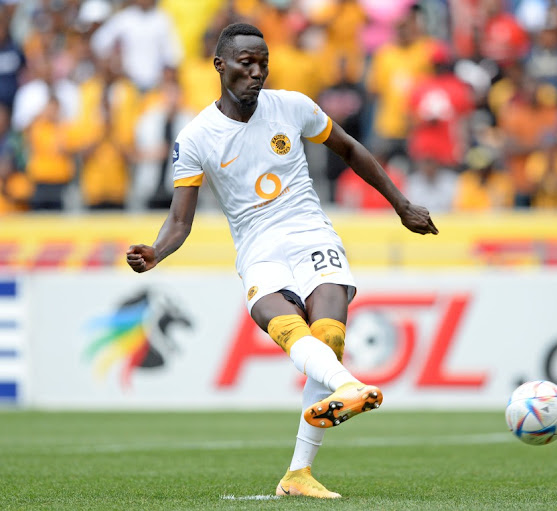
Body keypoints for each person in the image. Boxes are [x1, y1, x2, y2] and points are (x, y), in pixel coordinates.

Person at [125, 23, 437, 499]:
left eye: (263, 64)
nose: (256, 73)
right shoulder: (196, 138)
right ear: (220, 65)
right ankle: (349, 387)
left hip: (311, 231)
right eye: (246, 63)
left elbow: (350, 149)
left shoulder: (292, 106)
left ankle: (298, 474)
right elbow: (179, 223)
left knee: (328, 335)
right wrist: (155, 252)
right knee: (287, 326)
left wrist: (401, 205)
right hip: (258, 247)